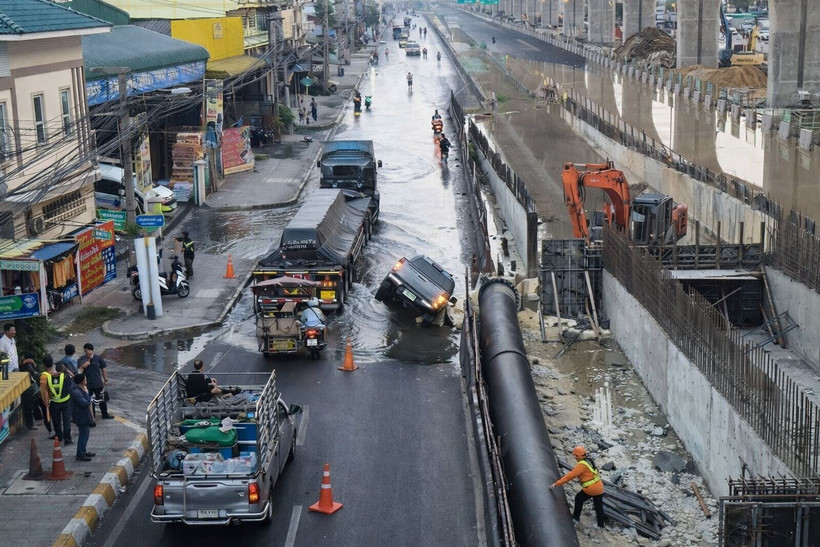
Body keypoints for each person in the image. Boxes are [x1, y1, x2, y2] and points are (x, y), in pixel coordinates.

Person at [551, 445, 606, 528]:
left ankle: (576, 518)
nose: (575, 458)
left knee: (578, 498)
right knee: (598, 506)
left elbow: (570, 476)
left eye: (575, 456)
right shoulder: (590, 460)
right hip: (599, 487)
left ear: (578, 456)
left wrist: (557, 484)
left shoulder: (581, 465)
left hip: (591, 489)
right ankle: (601, 525)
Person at [77, 343, 113, 420]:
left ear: (92, 350)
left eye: (88, 350)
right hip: (88, 385)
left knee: (102, 399)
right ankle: (92, 416)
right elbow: (79, 371)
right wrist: (84, 366)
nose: (87, 352)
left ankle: (105, 414)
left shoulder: (98, 358)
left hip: (98, 383)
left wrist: (106, 379)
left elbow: (103, 369)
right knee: (90, 400)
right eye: (85, 351)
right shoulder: (82, 359)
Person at [44, 356, 73, 445]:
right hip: (66, 402)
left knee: (56, 421)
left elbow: (46, 390)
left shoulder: (48, 378)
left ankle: (59, 437)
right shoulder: (66, 377)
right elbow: (70, 387)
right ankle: (67, 439)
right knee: (66, 421)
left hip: (54, 403)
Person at [69, 373, 95, 461]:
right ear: (82, 381)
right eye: (85, 379)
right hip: (80, 416)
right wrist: (89, 397)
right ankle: (80, 454)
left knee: (86, 434)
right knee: (83, 435)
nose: (86, 380)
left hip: (83, 415)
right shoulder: (76, 392)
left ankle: (83, 450)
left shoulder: (80, 389)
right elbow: (84, 403)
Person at [20, 352, 39, 430]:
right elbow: (36, 373)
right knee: (29, 409)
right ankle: (30, 425)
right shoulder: (28, 366)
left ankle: (31, 423)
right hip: (28, 391)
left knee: (30, 408)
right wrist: (33, 363)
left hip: (29, 390)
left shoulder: (24, 365)